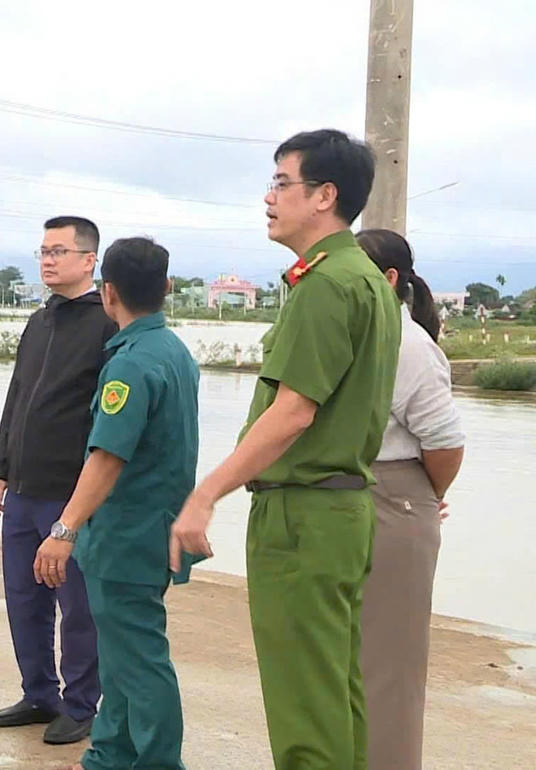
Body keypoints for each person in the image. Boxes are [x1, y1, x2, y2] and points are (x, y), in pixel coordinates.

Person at [170, 129, 401, 769]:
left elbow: (294, 411)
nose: (268, 196)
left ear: (324, 196)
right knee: (333, 695)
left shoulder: (327, 284)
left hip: (303, 515)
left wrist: (205, 493)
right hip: (340, 512)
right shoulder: (362, 279)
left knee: (304, 704)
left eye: (281, 182)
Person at [33, 236, 200, 770]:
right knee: (124, 657)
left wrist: (64, 530)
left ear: (108, 293)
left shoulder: (130, 364)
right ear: (167, 288)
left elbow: (108, 457)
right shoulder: (173, 351)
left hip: (127, 535)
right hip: (153, 529)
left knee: (141, 660)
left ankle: (153, 761)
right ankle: (110, 754)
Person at [0, 216, 116, 745]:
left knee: (77, 605)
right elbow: (17, 396)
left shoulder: (105, 323)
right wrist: (0, 465)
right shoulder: (38, 321)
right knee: (24, 595)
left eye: (59, 251)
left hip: (70, 491)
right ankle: (38, 691)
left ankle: (81, 702)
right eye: (43, 251)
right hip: (22, 485)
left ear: (89, 260)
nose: (47, 260)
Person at [355, 228, 465, 770]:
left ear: (389, 280)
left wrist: (422, 495)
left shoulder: (410, 347)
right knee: (347, 662)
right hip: (351, 496)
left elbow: (445, 444)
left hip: (394, 496)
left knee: (388, 670)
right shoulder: (351, 335)